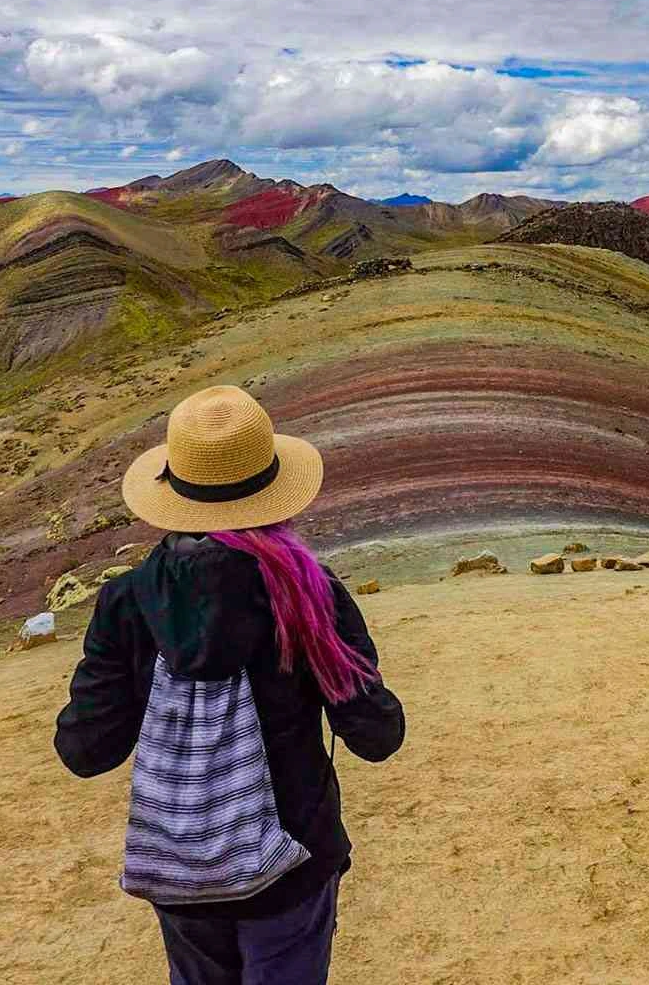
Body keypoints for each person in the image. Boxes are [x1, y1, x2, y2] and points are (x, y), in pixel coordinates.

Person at [54, 385, 405, 984]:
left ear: (172, 493)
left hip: (181, 865)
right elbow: (377, 735)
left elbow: (85, 751)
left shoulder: (126, 602)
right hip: (292, 860)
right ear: (276, 494)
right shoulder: (309, 593)